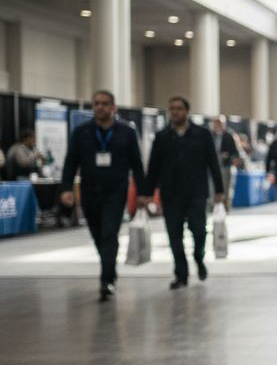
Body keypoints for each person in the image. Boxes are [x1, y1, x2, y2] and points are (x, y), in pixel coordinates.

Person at [59, 90, 146, 301]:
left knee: (109, 233)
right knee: (98, 235)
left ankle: (106, 279)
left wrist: (143, 192)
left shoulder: (126, 132)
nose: (100, 107)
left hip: (116, 192)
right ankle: (109, 269)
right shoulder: (81, 132)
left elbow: (137, 165)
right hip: (90, 192)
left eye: (105, 104)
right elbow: (71, 162)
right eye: (96, 104)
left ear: (113, 107)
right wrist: (66, 188)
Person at [143, 95, 225, 290]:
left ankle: (199, 257)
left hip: (197, 192)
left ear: (187, 112)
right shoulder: (162, 137)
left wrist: (219, 190)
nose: (175, 112)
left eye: (179, 108)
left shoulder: (202, 135)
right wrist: (147, 193)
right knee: (174, 235)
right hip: (170, 194)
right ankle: (181, 273)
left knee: (199, 230)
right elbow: (153, 166)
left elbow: (213, 163)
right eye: (172, 109)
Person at [210, 116, 243, 210]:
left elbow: (235, 152)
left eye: (219, 123)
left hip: (226, 165)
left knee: (226, 187)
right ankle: (213, 206)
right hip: (213, 166)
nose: (217, 125)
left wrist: (228, 156)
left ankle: (225, 206)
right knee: (212, 187)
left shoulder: (229, 135)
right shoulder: (211, 135)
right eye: (216, 123)